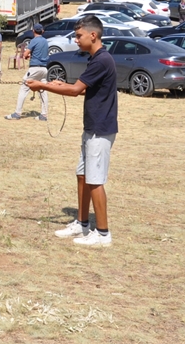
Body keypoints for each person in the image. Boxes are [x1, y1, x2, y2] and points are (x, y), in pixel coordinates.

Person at [26, 15, 117, 247]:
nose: (76, 40)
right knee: (82, 175)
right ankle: (82, 222)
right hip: (91, 128)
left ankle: (103, 234)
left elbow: (76, 90)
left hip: (100, 129)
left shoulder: (101, 60)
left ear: (93, 35)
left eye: (79, 36)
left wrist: (43, 85)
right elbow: (83, 88)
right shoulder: (96, 59)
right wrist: (59, 85)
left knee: (95, 180)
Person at [7, 24, 49, 121]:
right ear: (42, 31)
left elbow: (25, 54)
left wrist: (26, 55)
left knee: (24, 88)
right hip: (44, 69)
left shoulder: (34, 40)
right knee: (43, 91)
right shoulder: (45, 41)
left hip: (34, 68)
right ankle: (44, 114)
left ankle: (17, 113)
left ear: (33, 31)